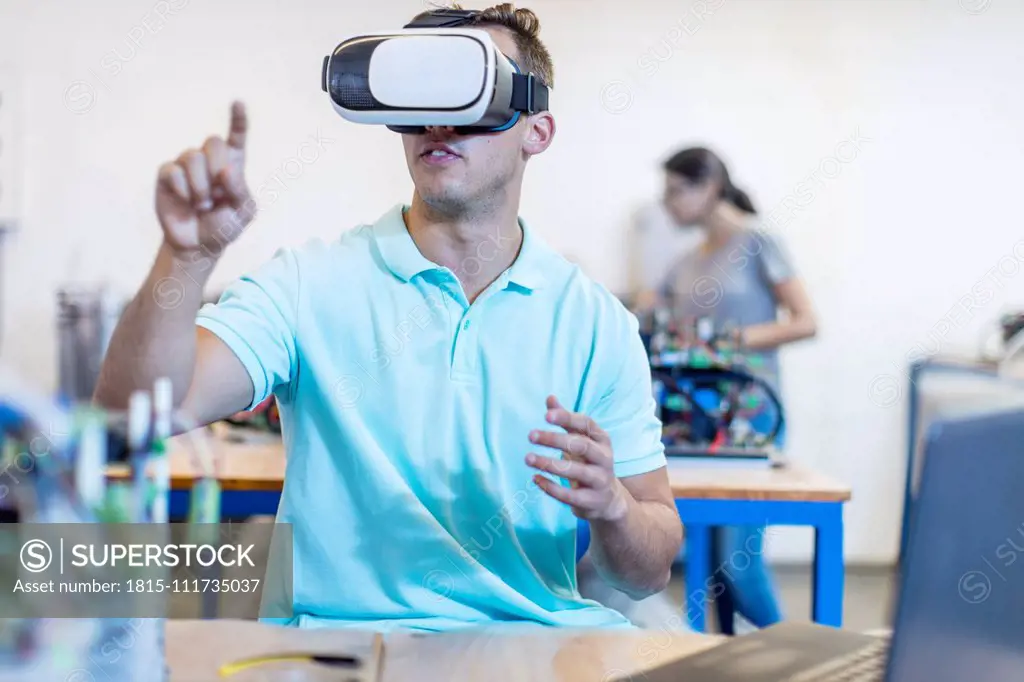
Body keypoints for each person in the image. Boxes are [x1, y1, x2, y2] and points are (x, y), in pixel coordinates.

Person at [93, 3, 682, 632]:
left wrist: (613, 507)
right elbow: (134, 412)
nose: (438, 121)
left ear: (535, 130)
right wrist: (187, 257)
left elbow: (645, 575)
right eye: (422, 96)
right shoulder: (307, 284)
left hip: (534, 650)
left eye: (472, 96)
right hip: (342, 650)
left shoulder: (596, 324)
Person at [642, 146, 818, 633]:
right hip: (698, 419)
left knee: (739, 562)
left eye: (678, 190)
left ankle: (797, 661)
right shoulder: (685, 262)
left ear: (712, 186)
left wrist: (728, 340)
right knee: (716, 567)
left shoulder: (760, 242)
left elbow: (806, 322)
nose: (670, 203)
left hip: (752, 416)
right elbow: (658, 319)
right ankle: (732, 662)